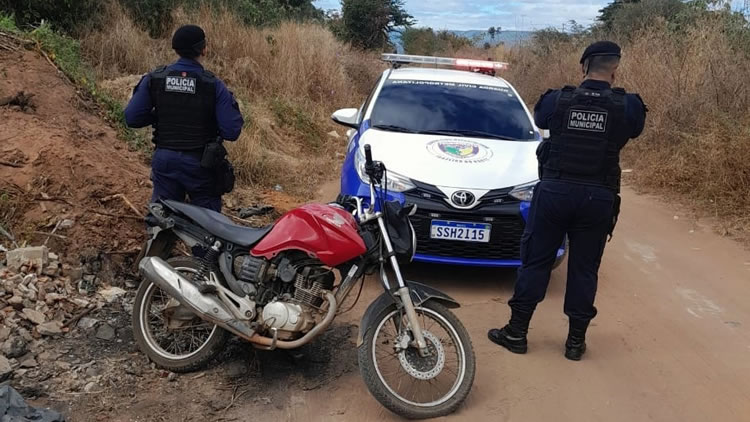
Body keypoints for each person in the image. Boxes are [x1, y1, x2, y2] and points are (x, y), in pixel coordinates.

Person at [488, 41, 647, 361]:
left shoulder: (557, 100)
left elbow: (541, 121)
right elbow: (634, 130)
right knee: (584, 268)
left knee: (536, 260)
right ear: (615, 68)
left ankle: (517, 332)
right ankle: (575, 343)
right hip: (597, 196)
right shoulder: (627, 105)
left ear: (583, 67)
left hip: (555, 192)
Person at [124, 24, 244, 213]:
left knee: (162, 219)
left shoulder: (155, 78)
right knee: (208, 227)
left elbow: (132, 118)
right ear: (203, 49)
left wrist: (161, 115)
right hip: (201, 164)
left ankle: (158, 240)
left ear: (176, 48)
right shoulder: (213, 85)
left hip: (165, 161)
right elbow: (231, 131)